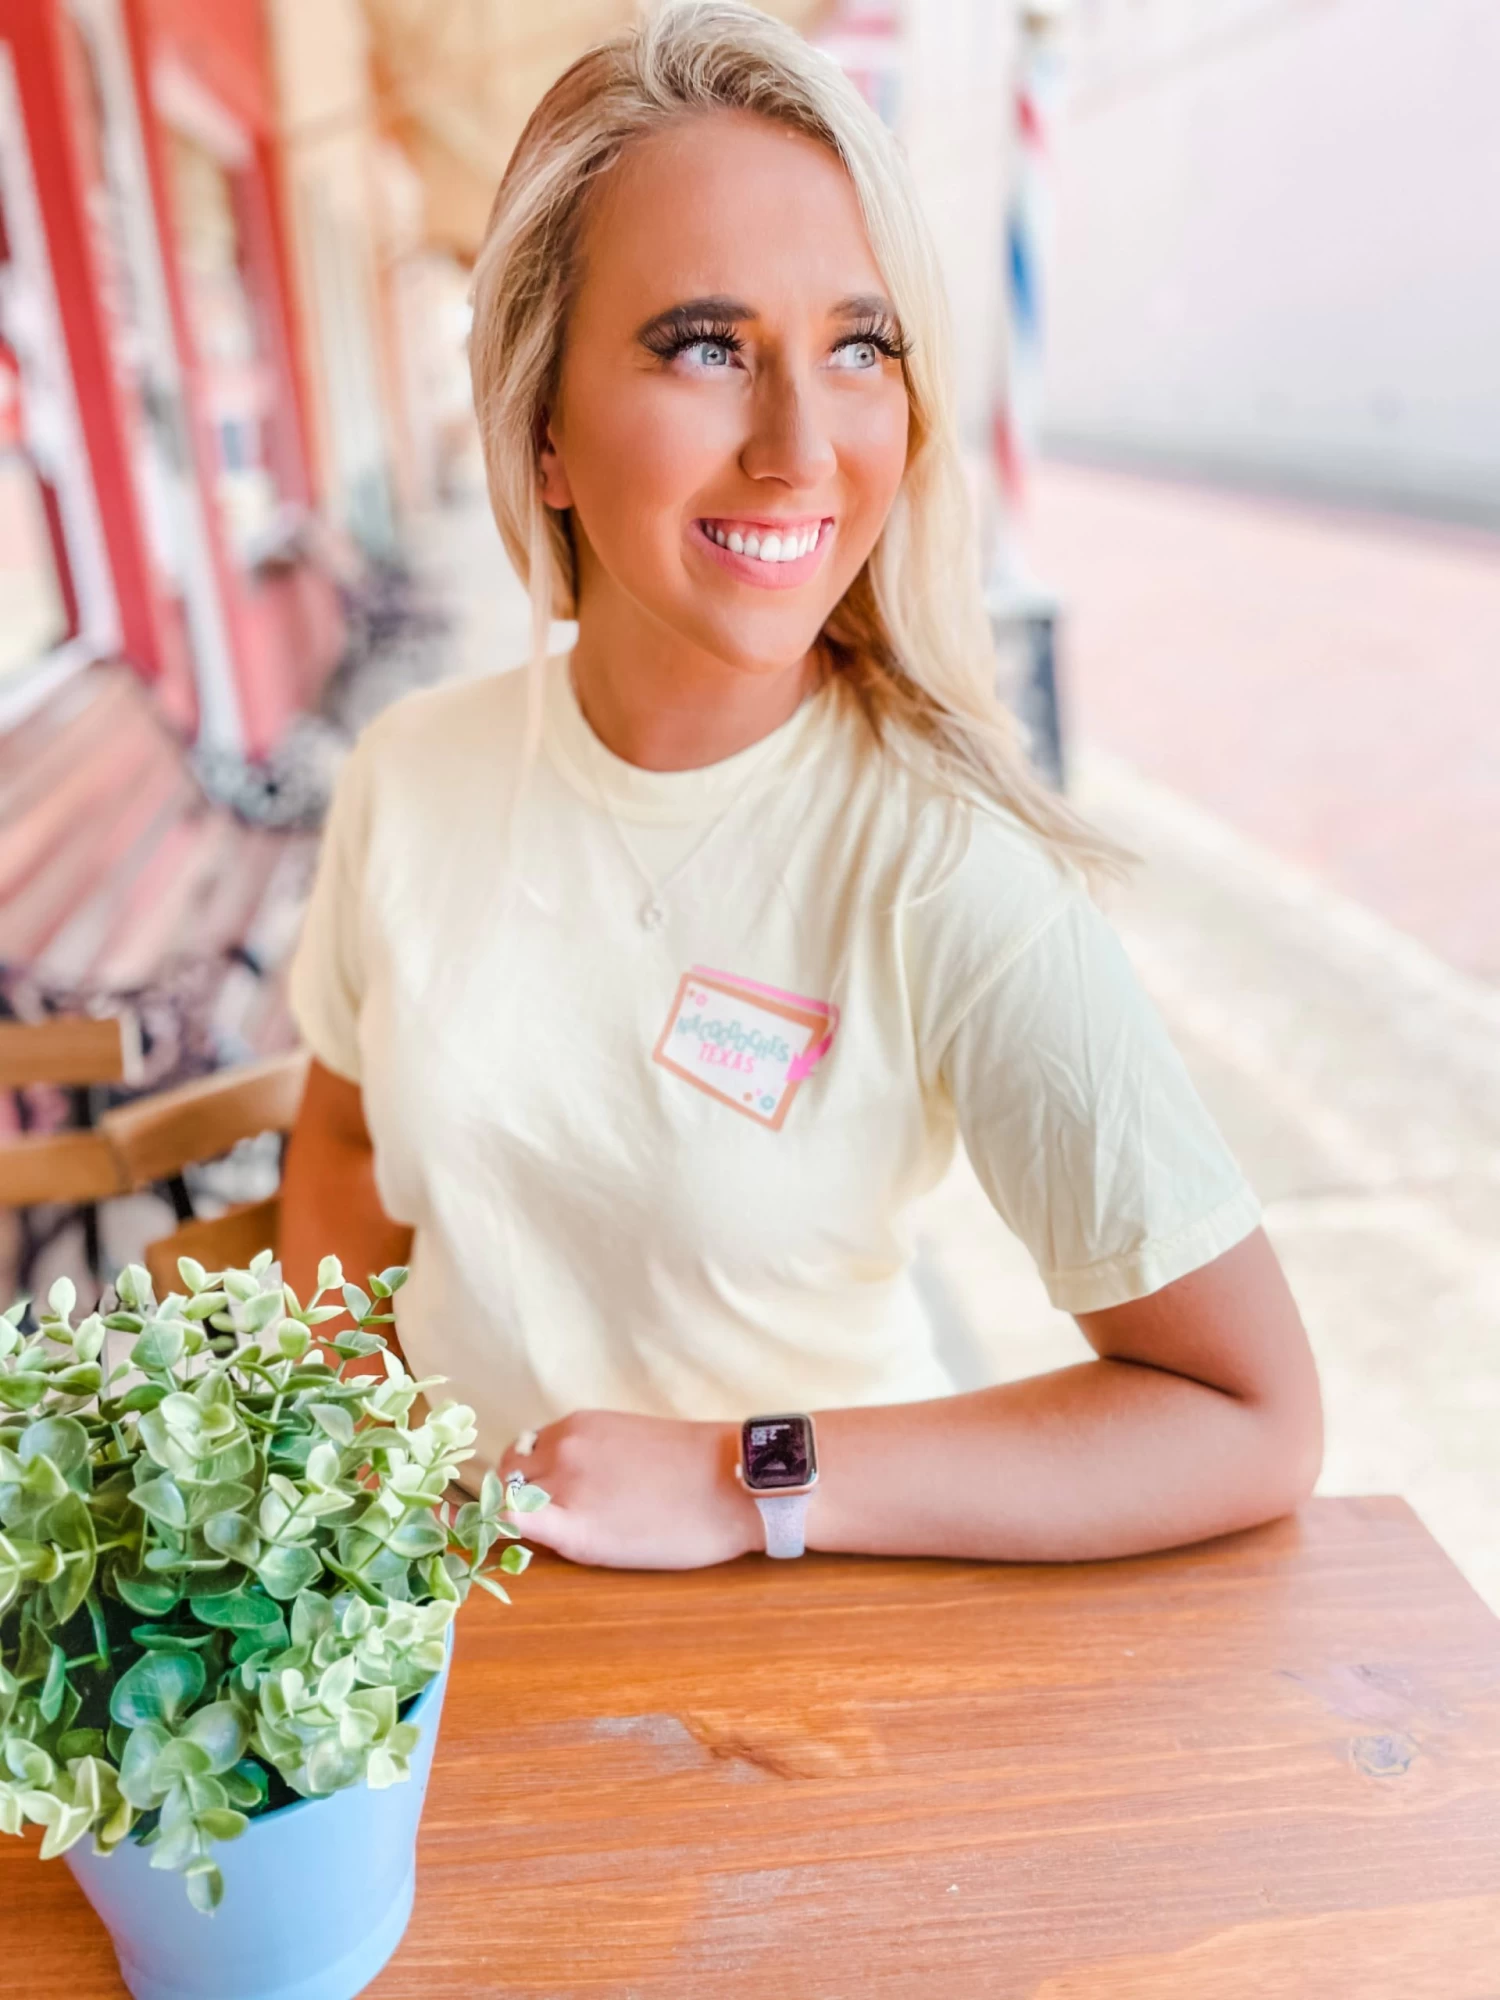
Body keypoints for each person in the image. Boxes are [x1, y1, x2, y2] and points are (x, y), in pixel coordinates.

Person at [280, 1, 1322, 1571]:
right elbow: (347, 1159)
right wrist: (358, 1501)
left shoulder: (945, 855)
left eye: (857, 346)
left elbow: (1247, 1413)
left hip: (816, 1635)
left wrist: (738, 1477)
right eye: (706, 345)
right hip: (469, 1634)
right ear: (542, 426)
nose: (799, 445)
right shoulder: (410, 775)